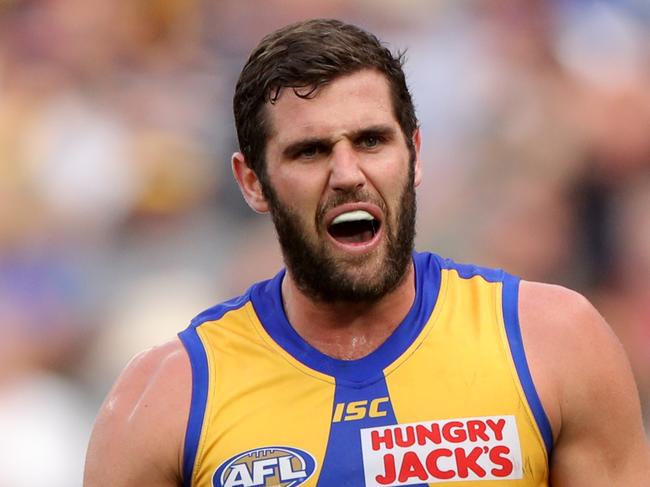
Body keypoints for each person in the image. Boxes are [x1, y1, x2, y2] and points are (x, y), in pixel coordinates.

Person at [84, 18, 650, 487]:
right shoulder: (163, 401)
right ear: (252, 182)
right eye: (310, 151)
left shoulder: (555, 342)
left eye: (371, 140)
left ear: (416, 152)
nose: (347, 174)